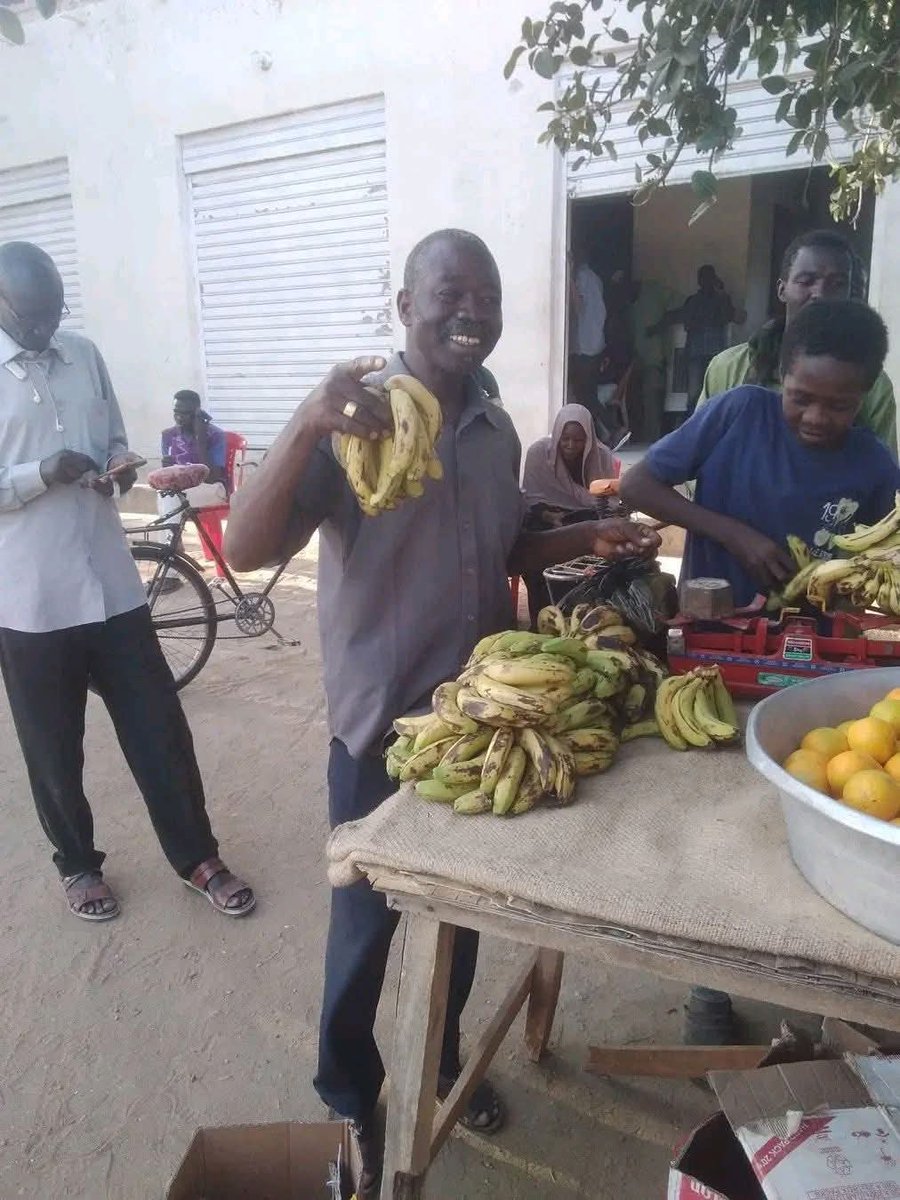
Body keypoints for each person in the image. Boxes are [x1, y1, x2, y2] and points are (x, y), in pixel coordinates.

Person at [223, 228, 659, 1195]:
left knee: (458, 920)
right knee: (364, 928)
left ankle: (445, 1057)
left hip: (476, 727)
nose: (472, 311)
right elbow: (248, 550)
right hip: (379, 727)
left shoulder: (497, 428)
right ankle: (350, 1093)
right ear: (405, 306)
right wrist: (303, 423)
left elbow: (503, 550)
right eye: (449, 292)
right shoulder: (360, 425)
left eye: (488, 296)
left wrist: (591, 530)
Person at [620, 298, 899, 1043]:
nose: (815, 416)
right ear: (779, 374)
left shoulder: (874, 466)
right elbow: (638, 486)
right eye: (802, 396)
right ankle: (712, 989)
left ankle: (820, 988)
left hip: (818, 680)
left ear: (868, 393)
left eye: (837, 405)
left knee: (802, 828)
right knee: (716, 834)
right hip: (714, 660)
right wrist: (730, 533)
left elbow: (875, 565)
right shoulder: (737, 414)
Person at [0, 241, 254, 922]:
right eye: (31, 318)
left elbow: (114, 436)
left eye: (54, 313)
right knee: (53, 749)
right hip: (30, 600)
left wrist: (120, 466)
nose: (45, 328)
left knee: (160, 728)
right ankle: (78, 865)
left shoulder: (83, 354)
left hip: (111, 583)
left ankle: (197, 855)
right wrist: (37, 475)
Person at [696, 229, 897, 457]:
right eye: (806, 281)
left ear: (851, 294)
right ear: (782, 290)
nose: (819, 293)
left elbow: (881, 477)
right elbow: (696, 459)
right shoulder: (728, 367)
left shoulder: (872, 383)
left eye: (837, 283)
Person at [522, 403, 618, 622]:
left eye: (578, 440)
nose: (570, 445)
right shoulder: (539, 453)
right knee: (534, 554)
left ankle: (586, 620)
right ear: (557, 436)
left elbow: (608, 502)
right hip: (546, 518)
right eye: (565, 439)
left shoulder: (601, 456)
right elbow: (530, 499)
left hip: (587, 516)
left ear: (589, 439)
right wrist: (550, 517)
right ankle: (543, 620)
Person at [656, 266, 742, 417]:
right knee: (694, 394)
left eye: (709, 278)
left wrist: (722, 294)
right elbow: (683, 319)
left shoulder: (721, 300)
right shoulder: (693, 301)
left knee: (716, 391)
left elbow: (731, 316)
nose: (705, 281)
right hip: (697, 352)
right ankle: (692, 426)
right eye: (703, 278)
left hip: (715, 354)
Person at [158, 389, 229, 551]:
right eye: (176, 412)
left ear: (198, 413)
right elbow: (168, 475)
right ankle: (172, 545)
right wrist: (166, 468)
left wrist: (201, 440)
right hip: (182, 489)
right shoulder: (168, 436)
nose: (179, 418)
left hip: (213, 488)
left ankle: (171, 552)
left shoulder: (215, 435)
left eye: (186, 413)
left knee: (171, 498)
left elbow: (213, 477)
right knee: (165, 495)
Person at [626, 275, 679, 443]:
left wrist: (658, 327)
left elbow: (677, 310)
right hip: (637, 361)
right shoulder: (631, 307)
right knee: (635, 402)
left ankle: (652, 441)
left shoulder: (654, 291)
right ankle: (640, 437)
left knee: (652, 403)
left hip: (655, 361)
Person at [568, 245, 607, 420]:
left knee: (584, 394)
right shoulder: (595, 278)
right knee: (588, 392)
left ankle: (612, 428)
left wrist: (567, 279)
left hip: (585, 343)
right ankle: (606, 431)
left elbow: (578, 307)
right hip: (595, 342)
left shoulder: (581, 278)